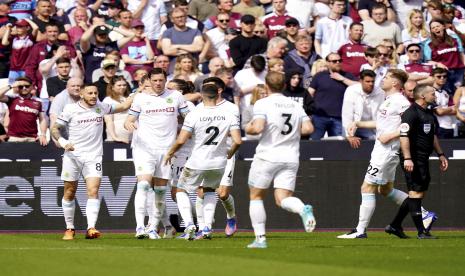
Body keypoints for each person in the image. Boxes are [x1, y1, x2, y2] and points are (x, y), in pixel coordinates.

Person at [337, 69, 437, 239]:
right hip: (383, 148)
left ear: (395, 83)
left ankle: (360, 230)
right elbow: (383, 123)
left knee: (367, 187)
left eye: (387, 77)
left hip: (387, 150)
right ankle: (424, 214)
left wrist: (390, 135)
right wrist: (358, 123)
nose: (382, 80)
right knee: (385, 189)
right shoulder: (389, 101)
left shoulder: (401, 102)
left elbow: (411, 124)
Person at [50, 84, 134, 240]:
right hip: (72, 156)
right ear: (82, 94)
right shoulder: (70, 109)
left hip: (94, 156)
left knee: (93, 191)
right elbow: (55, 128)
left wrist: (139, 91)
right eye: (90, 93)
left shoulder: (101, 106)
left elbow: (123, 106)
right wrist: (63, 142)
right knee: (69, 192)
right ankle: (69, 228)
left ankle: (91, 228)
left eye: (95, 93)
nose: (94, 96)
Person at [245, 71, 316, 249]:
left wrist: (249, 128)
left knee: (256, 196)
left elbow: (258, 127)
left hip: (267, 156)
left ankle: (260, 239)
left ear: (266, 86)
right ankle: (302, 209)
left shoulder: (263, 103)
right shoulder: (294, 104)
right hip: (291, 157)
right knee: (282, 198)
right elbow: (308, 128)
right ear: (284, 86)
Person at [163, 83, 242, 240]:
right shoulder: (229, 114)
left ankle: (190, 224)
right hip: (219, 162)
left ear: (203, 96)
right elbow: (238, 141)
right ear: (217, 95)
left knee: (180, 190)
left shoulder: (195, 114)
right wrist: (230, 153)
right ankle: (206, 228)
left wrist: (170, 153)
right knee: (210, 191)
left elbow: (181, 140)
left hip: (197, 161)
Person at [124, 68, 189, 239]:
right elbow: (128, 120)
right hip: (144, 148)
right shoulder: (140, 98)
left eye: (161, 80)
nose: (158, 84)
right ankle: (139, 227)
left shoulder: (175, 96)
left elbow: (188, 118)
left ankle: (152, 227)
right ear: (150, 81)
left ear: (165, 80)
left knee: (160, 190)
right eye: (155, 81)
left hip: (167, 150)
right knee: (144, 185)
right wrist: (130, 125)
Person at [385, 84, 448, 239]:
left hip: (423, 158)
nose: (435, 96)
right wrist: (407, 158)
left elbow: (432, 135)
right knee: (415, 192)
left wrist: (440, 154)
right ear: (422, 96)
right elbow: (404, 136)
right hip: (413, 158)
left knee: (418, 194)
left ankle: (394, 226)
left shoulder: (428, 113)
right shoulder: (411, 113)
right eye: (432, 93)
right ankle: (422, 232)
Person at [193, 76, 240, 239]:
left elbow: (233, 133)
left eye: (209, 87)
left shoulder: (231, 108)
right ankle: (204, 228)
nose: (205, 90)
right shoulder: (198, 109)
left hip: (225, 154)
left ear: (219, 90)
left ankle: (231, 217)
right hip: (203, 155)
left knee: (222, 193)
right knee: (201, 192)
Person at [308, 53, 357, 140]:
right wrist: (310, 112)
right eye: (334, 61)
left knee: (337, 145)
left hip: (339, 117)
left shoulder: (347, 75)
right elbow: (310, 93)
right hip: (319, 116)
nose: (338, 62)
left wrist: (342, 79)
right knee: (314, 142)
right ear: (327, 62)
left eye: (340, 60)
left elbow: (359, 86)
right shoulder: (319, 76)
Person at [342, 69, 384, 147]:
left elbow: (380, 115)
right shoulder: (351, 90)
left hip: (369, 126)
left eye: (373, 81)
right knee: (347, 144)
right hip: (352, 125)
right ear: (361, 81)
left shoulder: (380, 92)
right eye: (367, 81)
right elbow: (347, 113)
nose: (371, 84)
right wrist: (349, 135)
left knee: (375, 142)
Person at [0, 77, 47, 145]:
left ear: (32, 87)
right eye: (21, 86)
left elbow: (42, 120)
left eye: (27, 86)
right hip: (14, 138)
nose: (24, 88)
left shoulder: (38, 102)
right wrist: (11, 86)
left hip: (31, 139)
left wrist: (43, 134)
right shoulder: (12, 99)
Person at [423, 19, 465, 94]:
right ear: (431, 31)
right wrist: (438, 64)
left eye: (437, 26)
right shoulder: (429, 44)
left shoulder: (454, 38)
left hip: (459, 71)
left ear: (443, 26)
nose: (436, 28)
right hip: (443, 74)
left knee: (459, 93)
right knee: (448, 94)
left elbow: (461, 54)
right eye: (433, 28)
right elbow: (427, 61)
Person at [49, 77, 83, 147]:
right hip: (66, 137)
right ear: (67, 87)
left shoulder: (90, 95)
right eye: (73, 86)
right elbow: (54, 118)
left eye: (79, 86)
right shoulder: (60, 98)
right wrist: (57, 140)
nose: (76, 88)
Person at [103, 76, 132, 143]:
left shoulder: (129, 98)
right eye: (119, 85)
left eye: (124, 85)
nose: (122, 87)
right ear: (112, 87)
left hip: (132, 138)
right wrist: (115, 138)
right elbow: (109, 121)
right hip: (116, 139)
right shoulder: (108, 100)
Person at [432, 68, 456, 138]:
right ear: (433, 77)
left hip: (450, 126)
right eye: (439, 76)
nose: (442, 78)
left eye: (444, 76)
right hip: (438, 127)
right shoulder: (430, 92)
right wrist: (449, 109)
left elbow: (455, 110)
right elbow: (439, 112)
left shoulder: (446, 92)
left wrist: (444, 109)